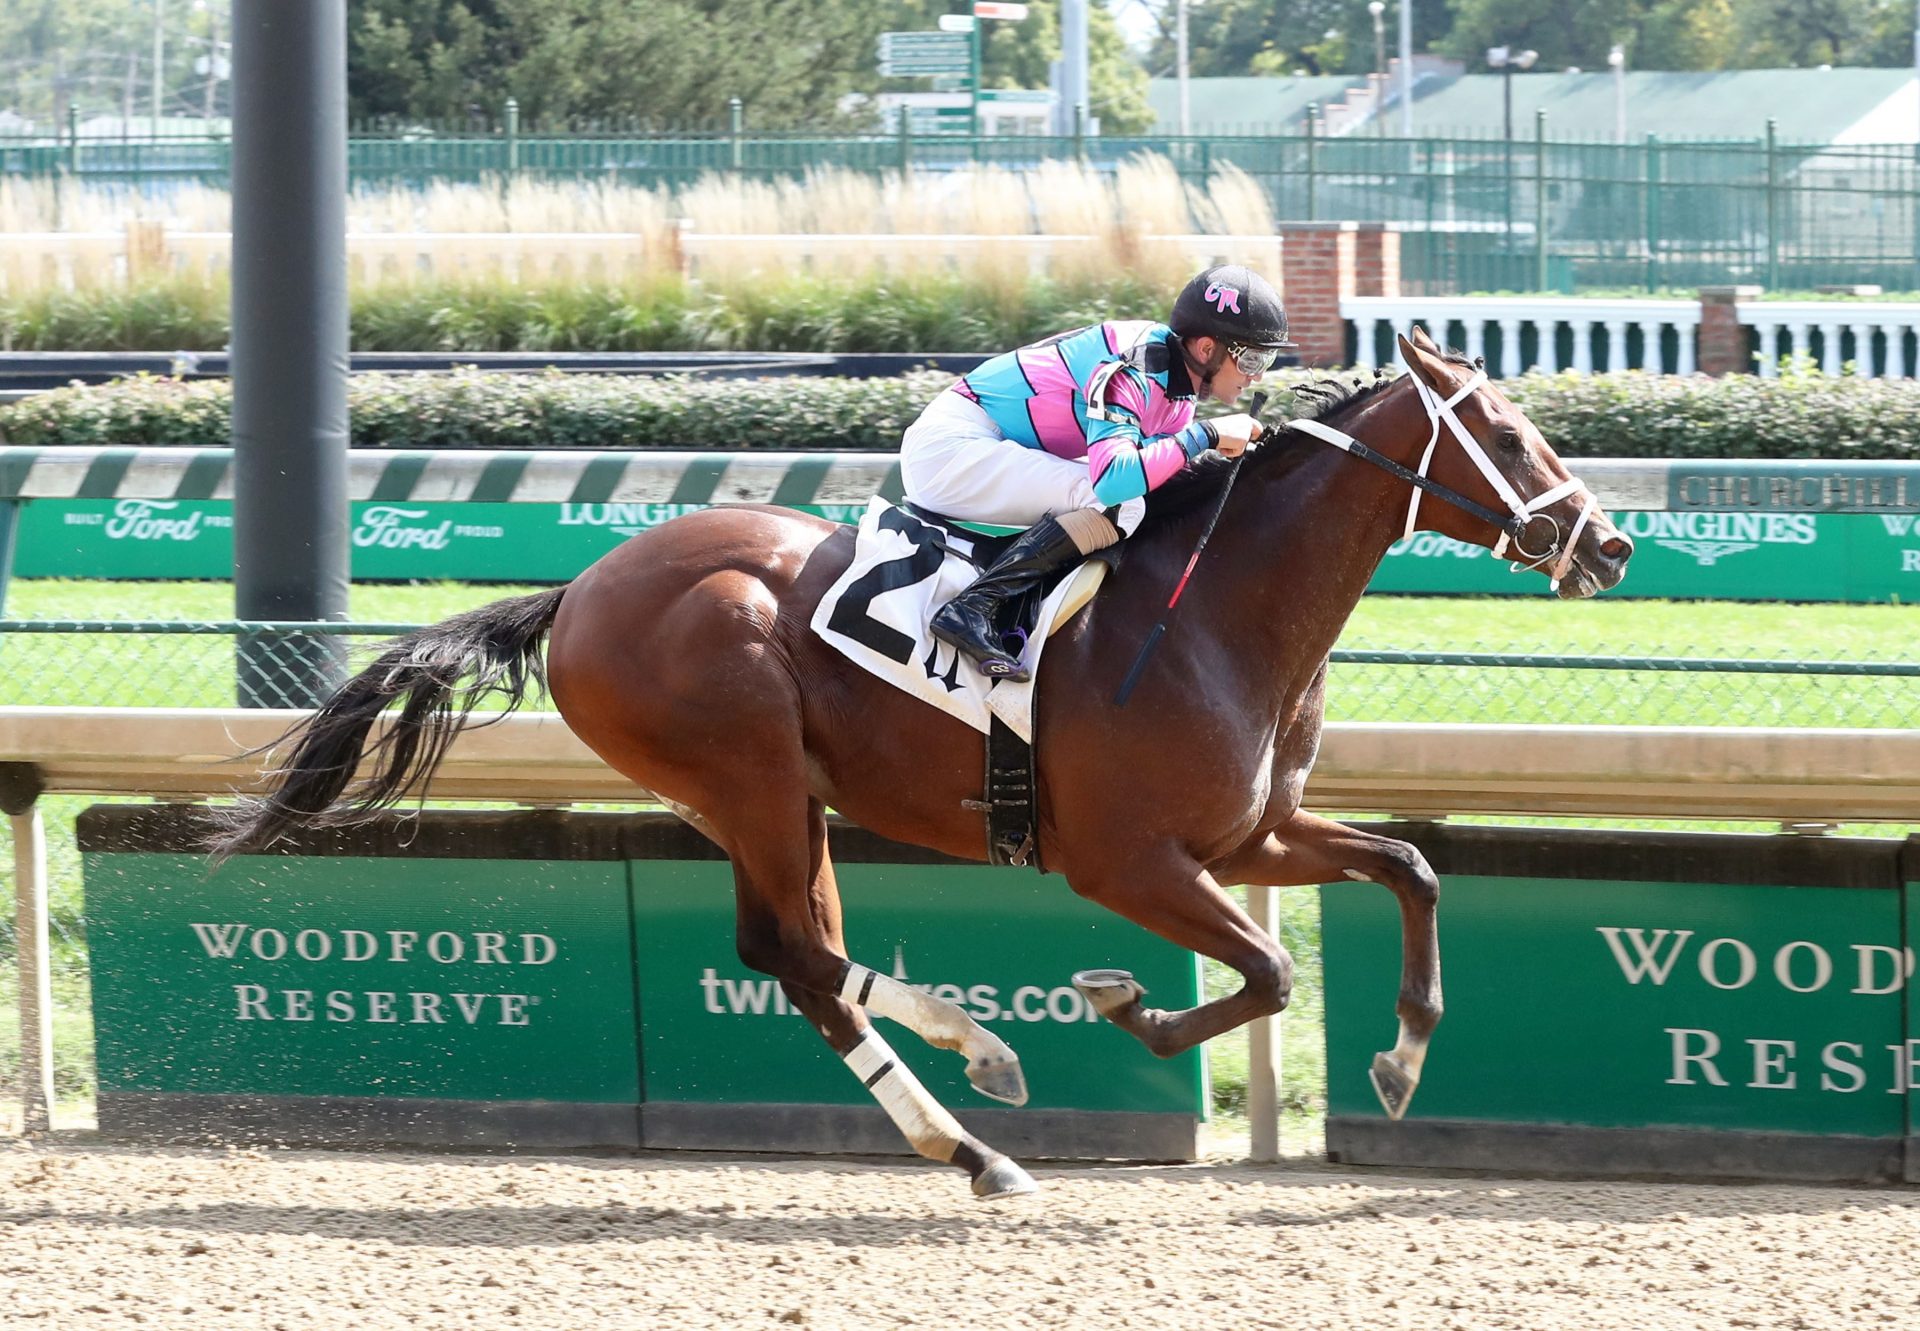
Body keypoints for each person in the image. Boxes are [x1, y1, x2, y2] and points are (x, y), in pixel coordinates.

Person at [899, 262, 1293, 682]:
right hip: (950, 448)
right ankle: (973, 607)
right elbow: (1113, 481)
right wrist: (1207, 435)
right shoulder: (1134, 367)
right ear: (1205, 348)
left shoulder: (1179, 389)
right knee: (1117, 506)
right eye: (1252, 356)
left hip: (988, 444)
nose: (1258, 375)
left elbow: (1159, 474)